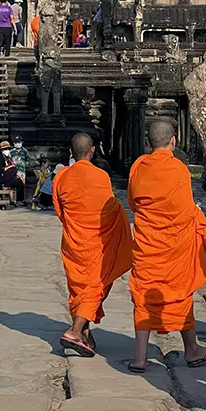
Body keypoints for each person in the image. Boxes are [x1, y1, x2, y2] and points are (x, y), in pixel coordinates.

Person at [127, 120, 206, 373]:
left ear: (148, 143)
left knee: (143, 294)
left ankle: (140, 357)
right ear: (174, 141)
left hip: (148, 244)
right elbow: (185, 208)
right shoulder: (179, 169)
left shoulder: (138, 167)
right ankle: (191, 350)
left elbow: (134, 204)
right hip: (175, 245)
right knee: (181, 290)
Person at [53, 133, 133, 358]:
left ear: (71, 152)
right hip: (98, 242)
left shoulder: (62, 177)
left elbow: (60, 211)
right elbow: (109, 209)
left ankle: (85, 334)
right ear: (92, 151)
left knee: (79, 289)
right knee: (95, 286)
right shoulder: (101, 176)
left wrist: (76, 225)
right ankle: (75, 331)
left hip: (73, 241)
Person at [0, 140, 24, 206]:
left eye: (8, 149)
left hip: (5, 176)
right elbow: (0, 170)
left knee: (19, 182)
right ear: (1, 150)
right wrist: (10, 167)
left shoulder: (7, 157)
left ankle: (20, 200)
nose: (7, 150)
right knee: (13, 169)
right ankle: (6, 186)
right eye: (5, 149)